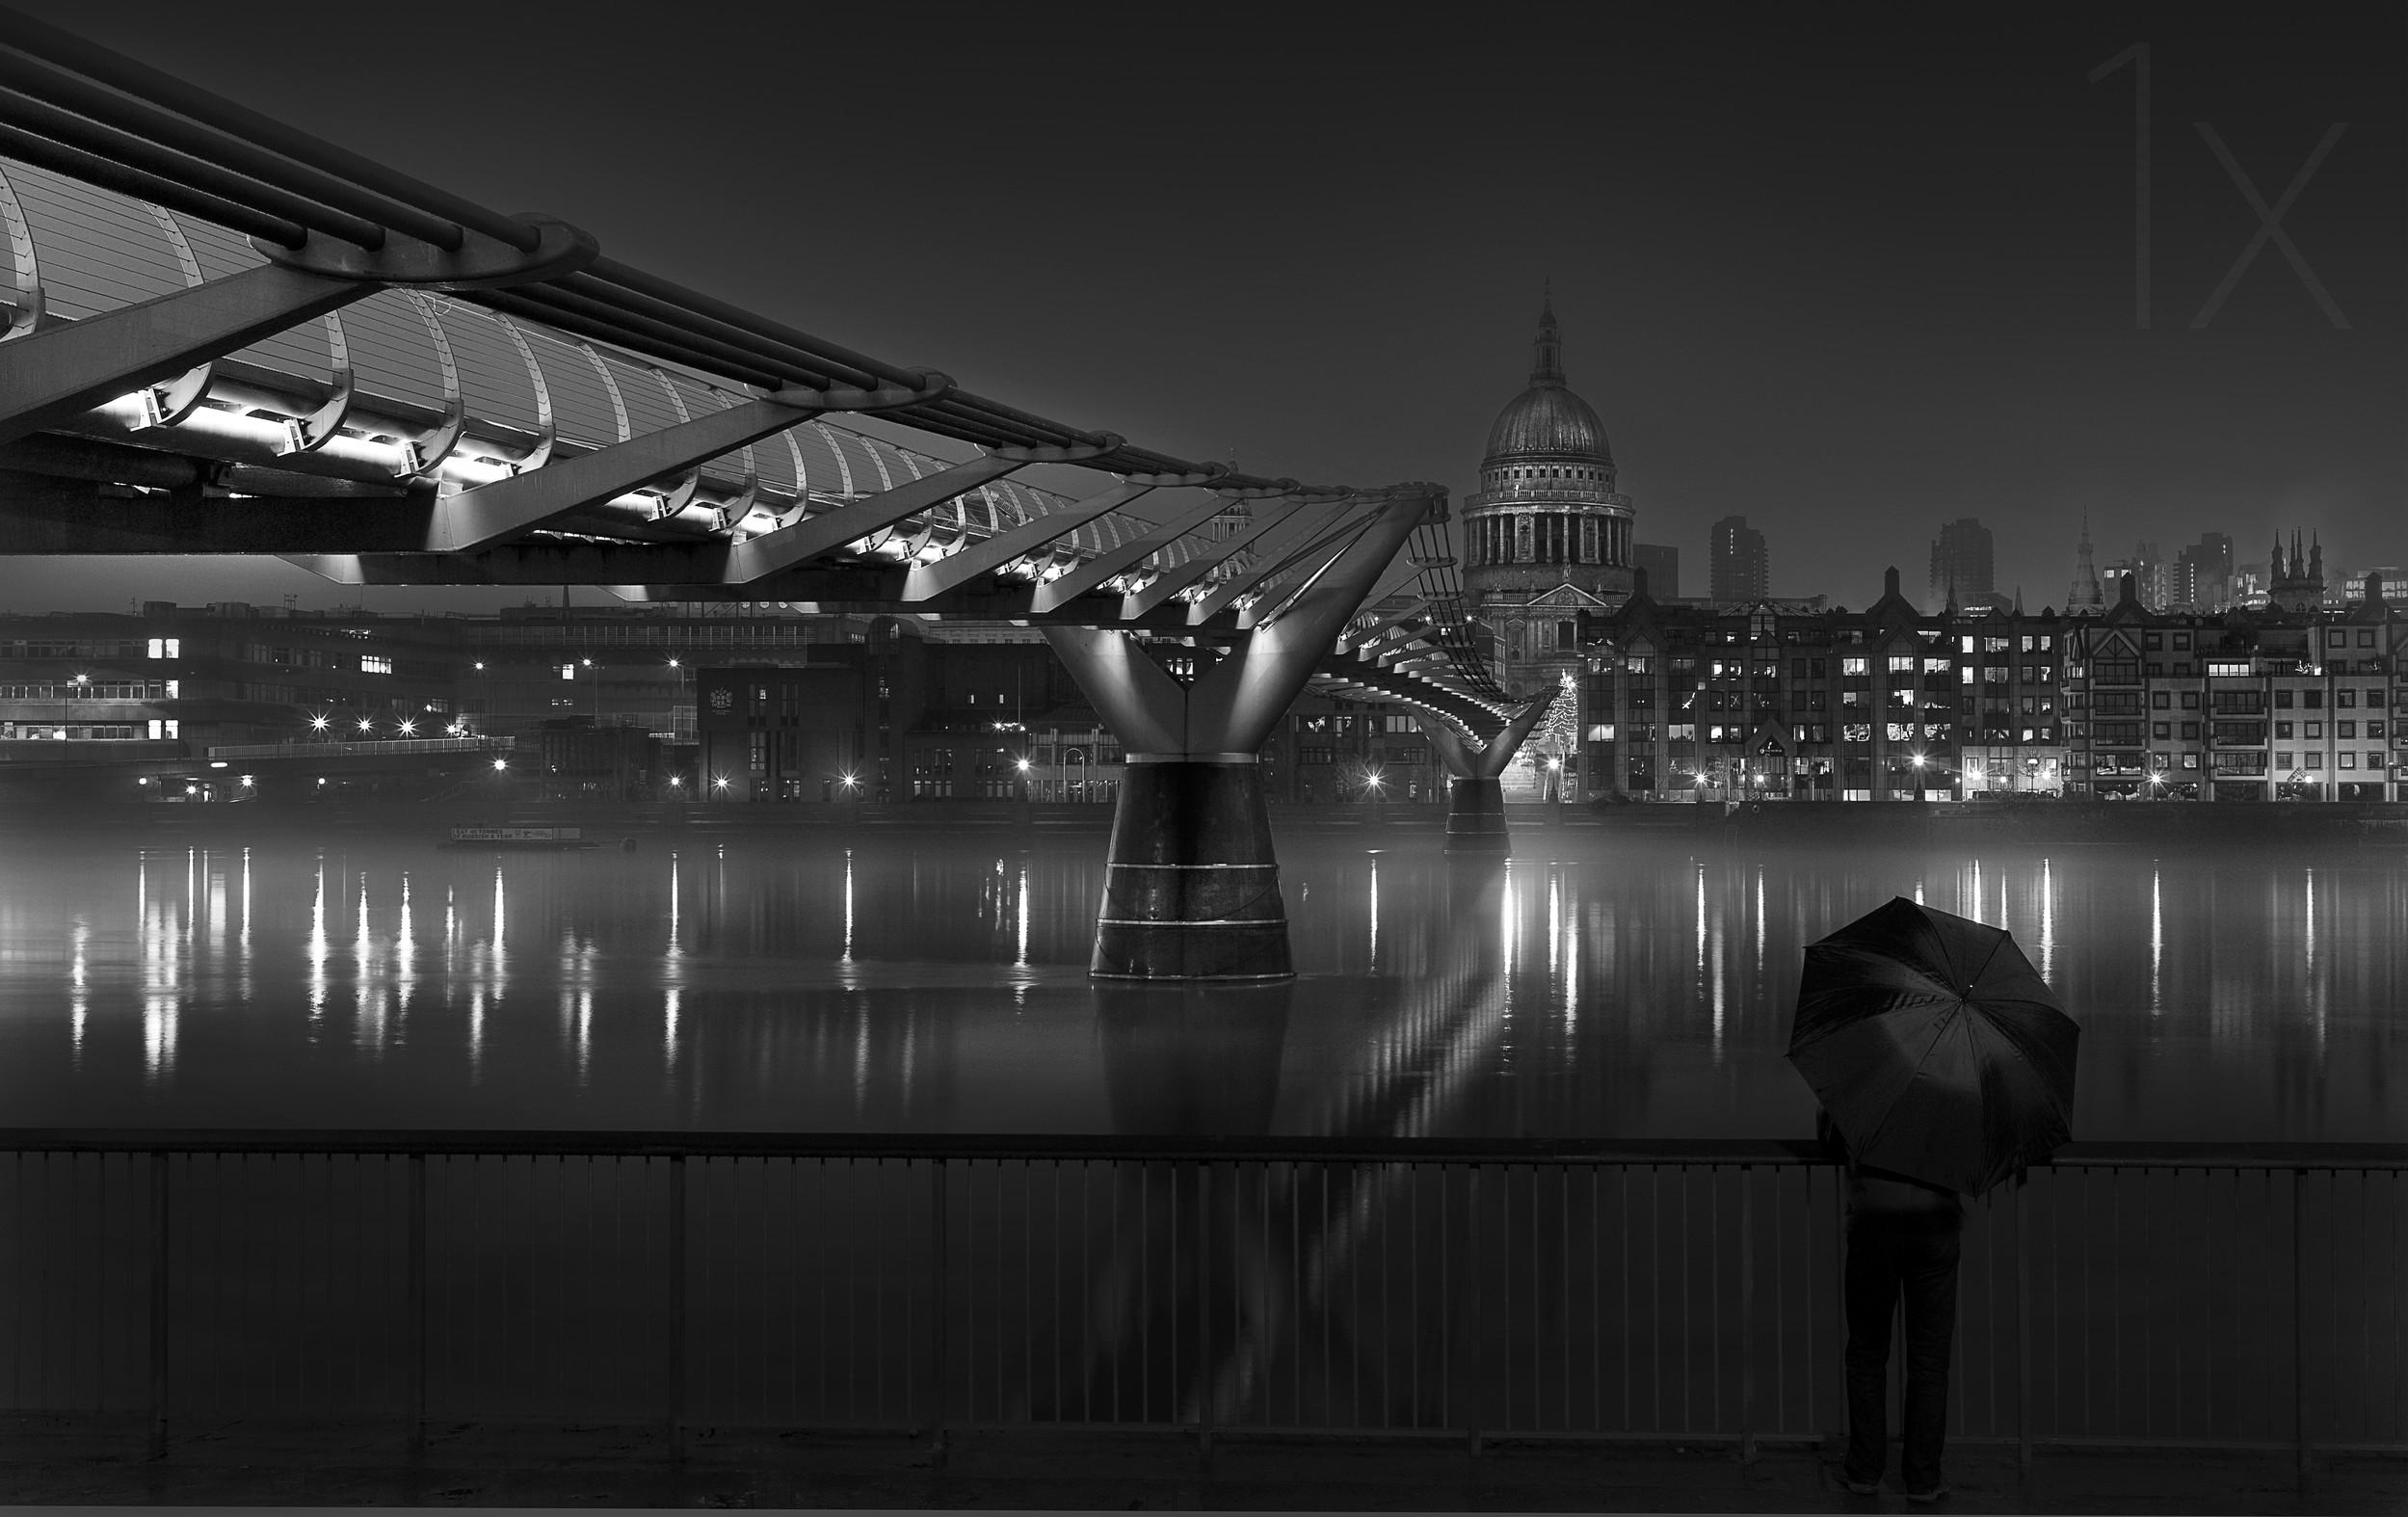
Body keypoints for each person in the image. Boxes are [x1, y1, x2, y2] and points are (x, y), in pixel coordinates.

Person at [1818, 1106, 1964, 1503]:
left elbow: (1831, 1140)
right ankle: (1923, 1478)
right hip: (1934, 1226)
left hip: (1875, 1226)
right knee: (1930, 1362)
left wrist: (1828, 1113)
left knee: (1867, 1353)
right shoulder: (1955, 1097)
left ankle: (1864, 1470)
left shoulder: (1867, 1090)